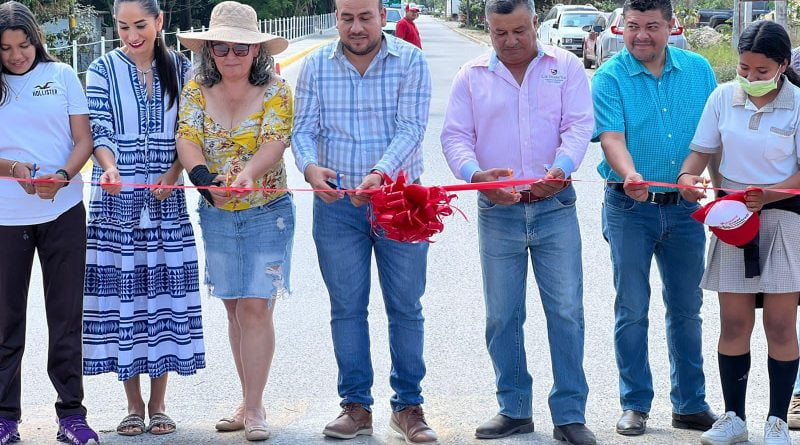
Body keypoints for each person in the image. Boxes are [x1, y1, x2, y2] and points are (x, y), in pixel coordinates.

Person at [440, 0, 595, 443]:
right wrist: (477, 178)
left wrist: (562, 168)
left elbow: (579, 126)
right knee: (503, 315)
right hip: (498, 211)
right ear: (487, 29)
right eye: (499, 33)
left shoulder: (565, 67)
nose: (509, 41)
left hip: (555, 205)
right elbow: (455, 137)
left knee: (566, 311)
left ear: (535, 24)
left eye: (519, 31)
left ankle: (569, 415)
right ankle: (514, 408)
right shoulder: (471, 76)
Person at [291, 0, 436, 442]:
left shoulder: (410, 61)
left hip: (399, 201)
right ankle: (355, 406)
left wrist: (380, 174)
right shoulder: (316, 65)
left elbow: (411, 129)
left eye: (365, 17)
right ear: (336, 17)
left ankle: (408, 406)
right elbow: (302, 130)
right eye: (347, 18)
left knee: (406, 307)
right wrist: (310, 168)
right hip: (336, 207)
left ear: (383, 16)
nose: (356, 27)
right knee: (346, 308)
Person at [591, 0, 718, 436]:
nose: (640, 35)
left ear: (671, 26)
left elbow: (712, 137)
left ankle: (690, 404)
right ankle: (634, 404)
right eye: (632, 26)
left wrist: (717, 192)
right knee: (632, 308)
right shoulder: (609, 77)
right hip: (628, 208)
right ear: (621, 27)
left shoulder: (699, 71)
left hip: (685, 209)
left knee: (687, 308)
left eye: (651, 26)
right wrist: (630, 174)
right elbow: (611, 138)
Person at [81, 0, 204, 437]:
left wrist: (173, 173)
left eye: (140, 25)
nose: (132, 36)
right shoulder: (101, 69)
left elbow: (190, 131)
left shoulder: (183, 69)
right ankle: (133, 404)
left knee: (163, 299)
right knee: (125, 303)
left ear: (159, 21)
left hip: (167, 201)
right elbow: (99, 129)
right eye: (123, 27)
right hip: (116, 202)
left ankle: (159, 404)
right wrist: (109, 166)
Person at [677, 20, 800, 445]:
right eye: (744, 68)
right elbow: (700, 152)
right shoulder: (722, 97)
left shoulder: (798, 103)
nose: (750, 77)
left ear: (782, 65)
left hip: (785, 217)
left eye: (761, 71)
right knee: (733, 322)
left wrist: (770, 194)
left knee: (781, 325)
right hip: (733, 219)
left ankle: (777, 421)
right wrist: (688, 178)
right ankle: (733, 417)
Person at [176, 1, 294, 441]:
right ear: (209, 50)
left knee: (255, 307)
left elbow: (275, 142)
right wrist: (204, 180)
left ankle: (256, 406)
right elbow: (187, 138)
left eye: (240, 48)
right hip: (217, 215)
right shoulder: (195, 89)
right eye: (221, 48)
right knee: (233, 308)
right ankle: (246, 400)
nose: (230, 56)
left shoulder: (277, 90)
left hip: (268, 212)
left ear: (256, 51)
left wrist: (247, 174)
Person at [0, 2, 99, 444]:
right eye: (5, 48)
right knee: (5, 323)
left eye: (23, 45)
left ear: (35, 39)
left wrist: (62, 176)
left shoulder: (61, 76)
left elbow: (83, 140)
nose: (16, 56)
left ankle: (71, 415)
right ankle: (5, 418)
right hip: (5, 219)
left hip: (63, 213)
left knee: (66, 319)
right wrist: (13, 169)